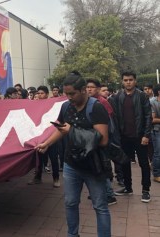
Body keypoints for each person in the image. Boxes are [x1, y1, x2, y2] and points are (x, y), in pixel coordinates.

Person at [35, 71, 111, 237]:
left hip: (93, 165)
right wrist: (47, 144)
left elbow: (103, 140)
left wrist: (73, 130)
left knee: (100, 206)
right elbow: (62, 129)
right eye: (66, 93)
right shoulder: (66, 106)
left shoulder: (96, 107)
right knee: (70, 203)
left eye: (72, 93)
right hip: (71, 164)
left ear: (83, 89)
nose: (69, 97)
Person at [110, 71, 152, 203]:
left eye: (130, 80)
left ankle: (146, 190)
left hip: (139, 136)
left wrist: (146, 135)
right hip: (124, 137)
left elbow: (147, 116)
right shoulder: (118, 97)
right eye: (126, 80)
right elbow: (115, 116)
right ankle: (128, 188)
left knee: (144, 164)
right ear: (122, 81)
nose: (128, 82)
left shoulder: (142, 96)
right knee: (125, 162)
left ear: (135, 81)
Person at [151, 84, 160, 183]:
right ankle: (157, 174)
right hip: (156, 130)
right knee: (158, 153)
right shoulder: (152, 102)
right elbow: (152, 120)